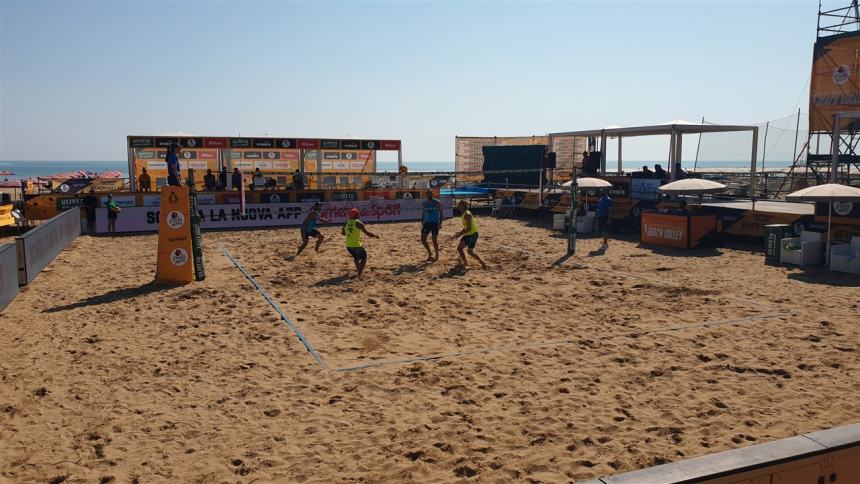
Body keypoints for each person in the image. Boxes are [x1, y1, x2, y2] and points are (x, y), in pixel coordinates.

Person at [450, 200, 487, 269]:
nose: (458, 206)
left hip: (472, 234)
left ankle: (470, 263)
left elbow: (468, 229)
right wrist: (458, 233)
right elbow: (466, 228)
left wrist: (458, 235)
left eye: (459, 205)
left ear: (463, 206)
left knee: (464, 250)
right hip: (470, 234)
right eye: (458, 205)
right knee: (464, 250)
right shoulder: (464, 213)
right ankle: (478, 263)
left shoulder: (466, 214)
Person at [342, 208, 378, 277]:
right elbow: (367, 234)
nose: (358, 215)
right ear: (354, 215)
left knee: (356, 258)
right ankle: (359, 273)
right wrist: (375, 236)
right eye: (357, 213)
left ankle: (359, 270)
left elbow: (343, 233)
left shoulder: (347, 222)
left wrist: (349, 233)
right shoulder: (358, 223)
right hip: (356, 245)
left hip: (348, 245)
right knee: (364, 257)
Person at [420, 189, 444, 261]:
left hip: (435, 223)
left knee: (434, 240)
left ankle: (437, 254)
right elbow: (423, 212)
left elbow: (441, 213)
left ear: (432, 194)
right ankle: (430, 253)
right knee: (423, 238)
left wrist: (440, 223)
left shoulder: (437, 202)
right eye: (427, 194)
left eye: (429, 194)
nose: (428, 195)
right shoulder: (424, 203)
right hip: (427, 223)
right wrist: (422, 220)